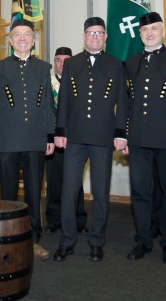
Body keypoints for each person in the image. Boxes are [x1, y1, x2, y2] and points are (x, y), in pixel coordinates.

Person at [52, 17, 128, 262]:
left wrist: (120, 133)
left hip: (103, 137)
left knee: (100, 192)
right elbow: (64, 99)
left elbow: (122, 101)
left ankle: (97, 241)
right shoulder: (72, 63)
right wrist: (60, 131)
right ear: (84, 36)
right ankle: (67, 240)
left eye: (99, 33)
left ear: (105, 37)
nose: (95, 37)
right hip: (75, 137)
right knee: (69, 191)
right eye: (90, 33)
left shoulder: (116, 65)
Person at [123, 12, 166, 264]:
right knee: (140, 191)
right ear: (140, 34)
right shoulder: (131, 63)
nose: (149, 33)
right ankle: (143, 240)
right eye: (145, 30)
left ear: (162, 31)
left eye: (154, 29)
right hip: (138, 138)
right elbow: (126, 103)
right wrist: (124, 135)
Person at [0, 18, 55, 260]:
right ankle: (8, 238)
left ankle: (34, 239)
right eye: (18, 34)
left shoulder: (44, 68)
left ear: (34, 40)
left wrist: (50, 135)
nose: (23, 38)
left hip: (35, 139)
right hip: (6, 140)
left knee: (34, 193)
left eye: (27, 34)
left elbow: (48, 105)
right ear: (10, 40)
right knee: (8, 194)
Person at [44, 47, 88, 235]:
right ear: (54, 62)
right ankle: (54, 219)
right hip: (53, 139)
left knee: (75, 181)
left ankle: (79, 219)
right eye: (58, 60)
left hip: (75, 139)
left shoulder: (80, 81)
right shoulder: (47, 83)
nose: (62, 64)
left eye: (66, 60)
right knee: (54, 180)